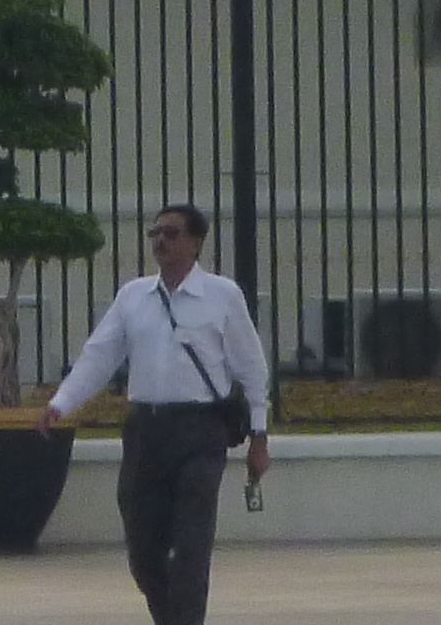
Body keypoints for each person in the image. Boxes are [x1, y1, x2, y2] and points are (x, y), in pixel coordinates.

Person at [43, 203, 273, 625]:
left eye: (171, 233)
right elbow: (100, 355)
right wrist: (62, 402)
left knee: (191, 544)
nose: (161, 241)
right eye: (156, 234)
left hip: (201, 430)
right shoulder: (134, 296)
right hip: (147, 429)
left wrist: (259, 436)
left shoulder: (223, 295)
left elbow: (252, 369)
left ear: (196, 242)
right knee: (143, 548)